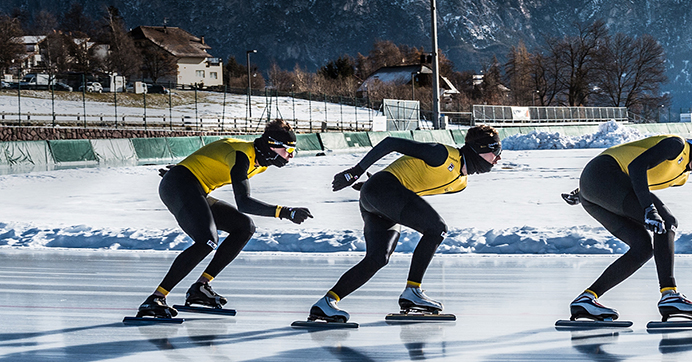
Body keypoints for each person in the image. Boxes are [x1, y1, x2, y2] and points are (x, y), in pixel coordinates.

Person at [307, 125, 502, 323]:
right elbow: (391, 143)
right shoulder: (442, 154)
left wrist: (375, 191)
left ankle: (326, 303)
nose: (499, 158)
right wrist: (356, 171)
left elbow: (412, 179)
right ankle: (413, 291)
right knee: (437, 229)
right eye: (497, 152)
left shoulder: (460, 183)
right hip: (382, 189)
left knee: (378, 258)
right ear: (481, 149)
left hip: (380, 197)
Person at [135, 119, 312, 318]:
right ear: (272, 146)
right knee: (207, 240)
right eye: (288, 149)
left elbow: (214, 153)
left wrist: (184, 168)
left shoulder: (261, 162)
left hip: (192, 187)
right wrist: (285, 212)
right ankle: (156, 298)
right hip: (180, 185)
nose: (291, 156)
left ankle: (200, 288)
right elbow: (243, 202)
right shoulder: (242, 155)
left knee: (245, 227)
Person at [563, 124, 692, 322]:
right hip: (601, 176)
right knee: (667, 222)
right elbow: (636, 166)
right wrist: (648, 209)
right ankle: (670, 296)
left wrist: (584, 191)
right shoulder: (676, 146)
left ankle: (587, 299)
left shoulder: (682, 177)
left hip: (595, 190)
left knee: (642, 248)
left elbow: (634, 177)